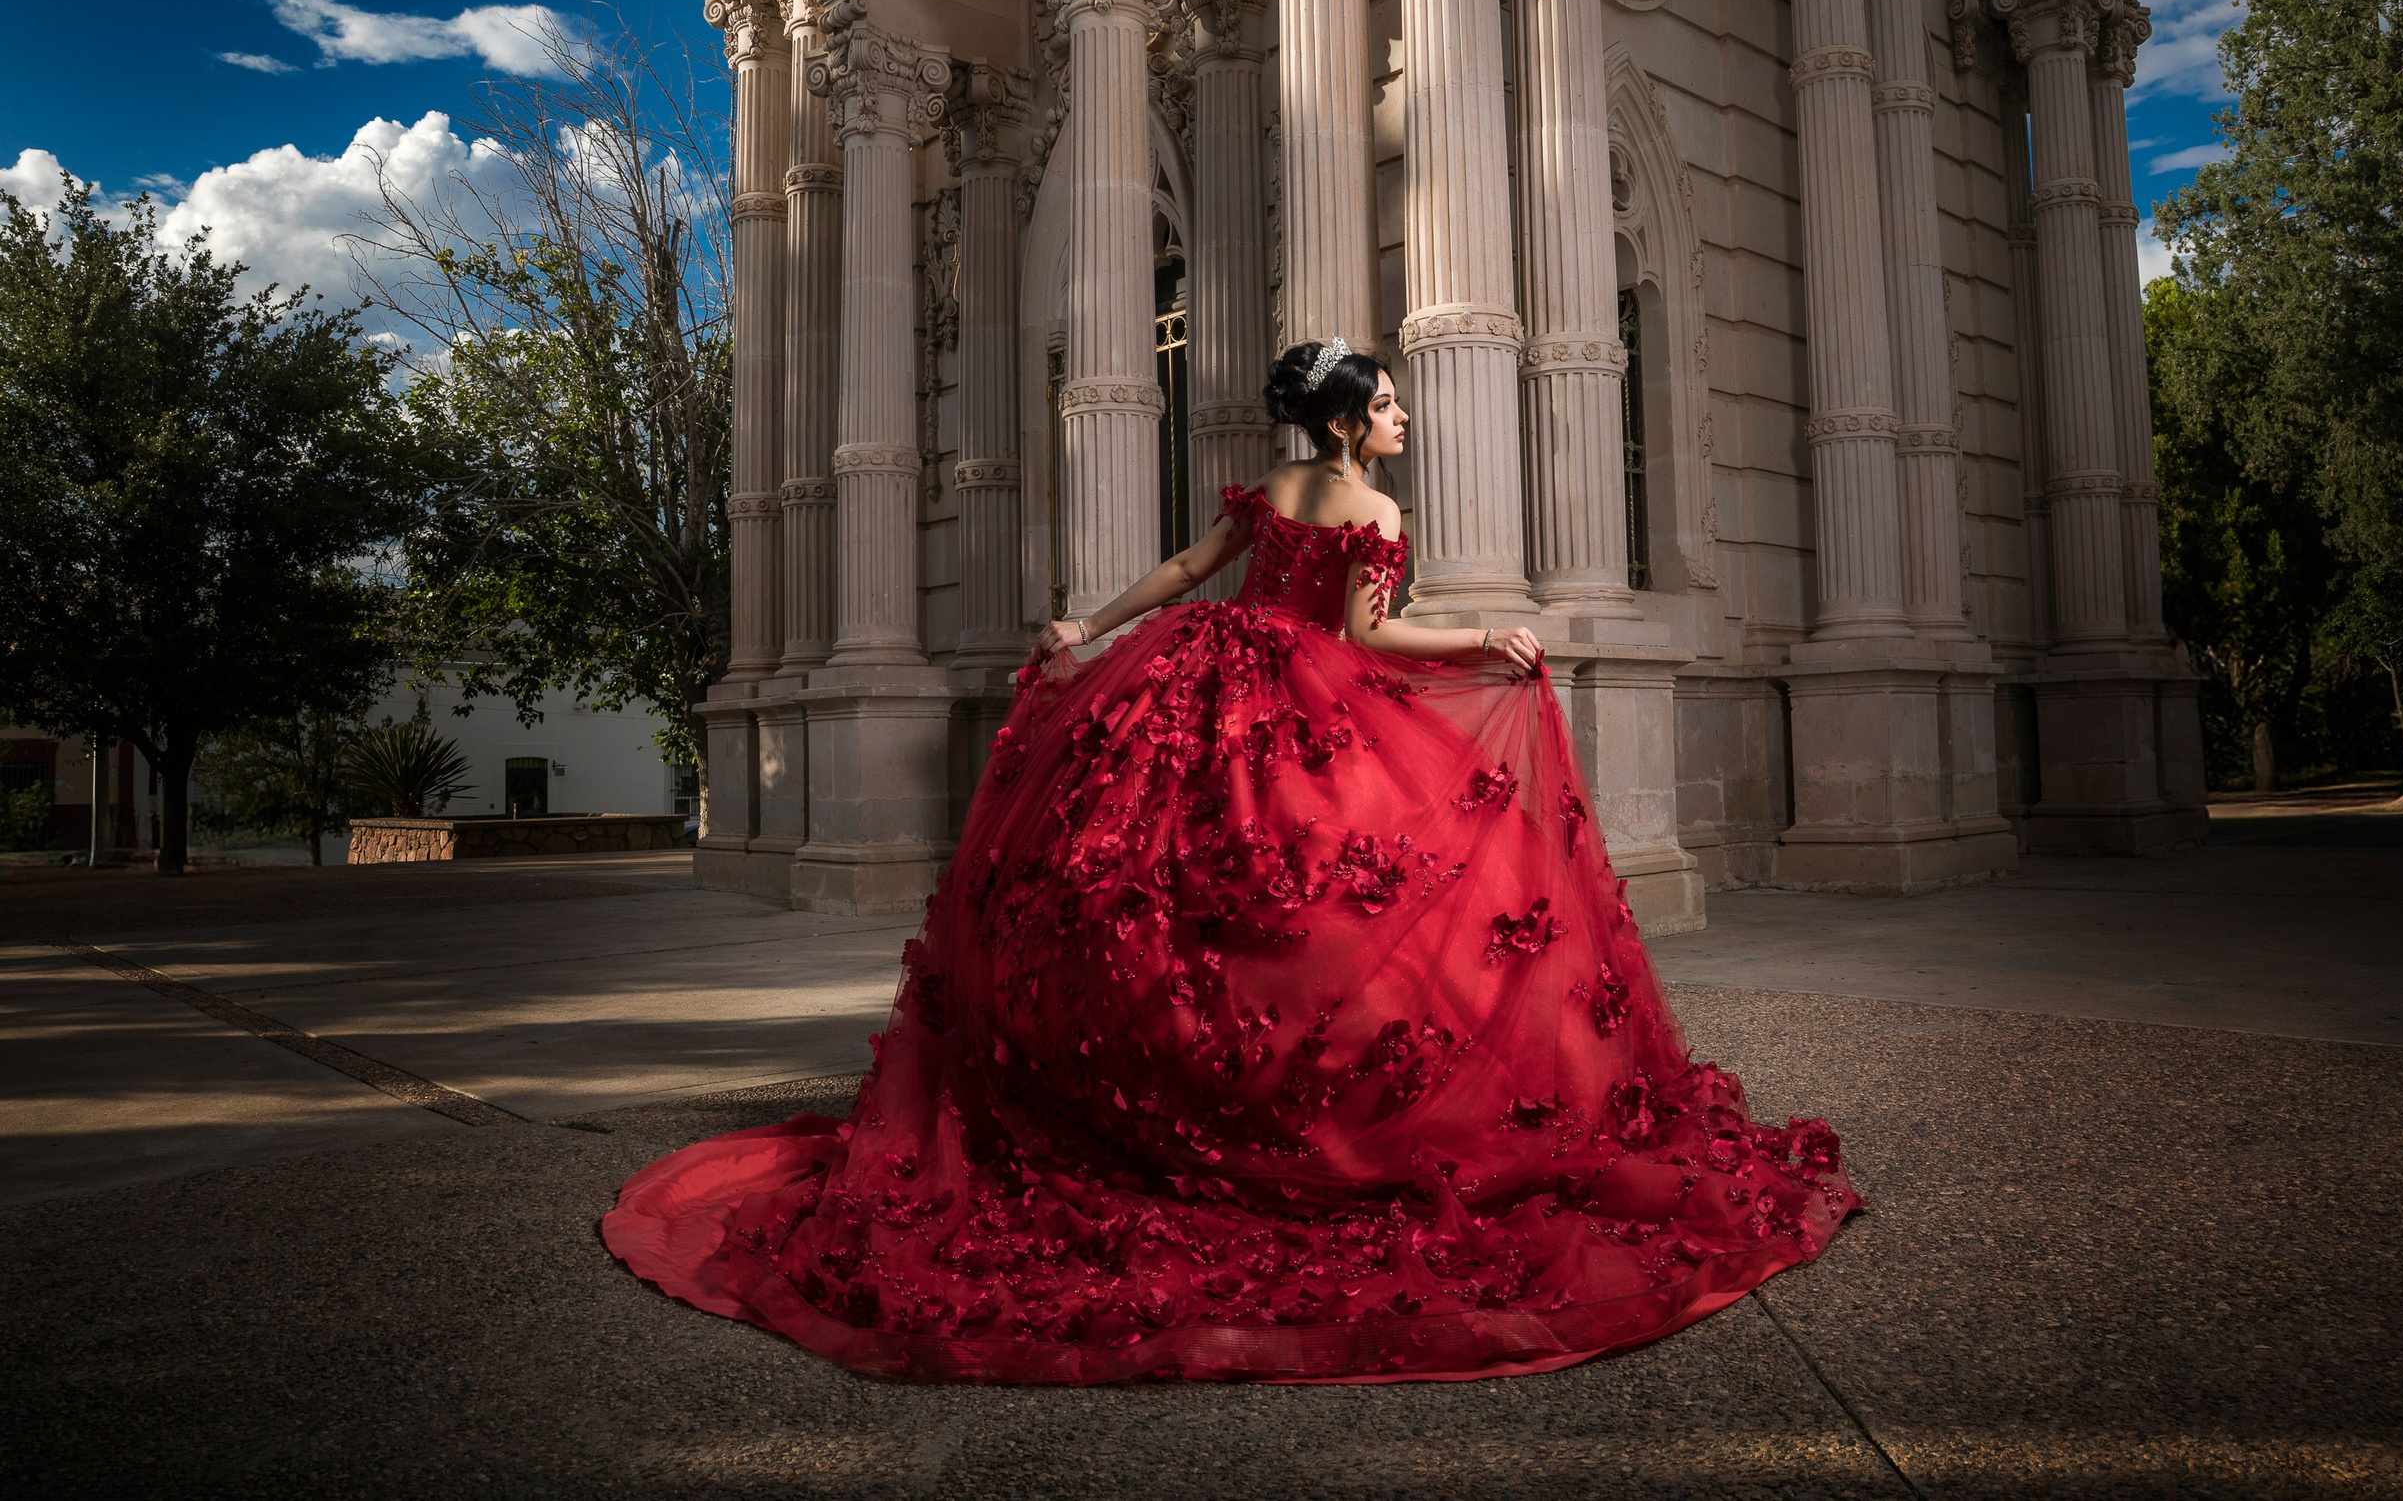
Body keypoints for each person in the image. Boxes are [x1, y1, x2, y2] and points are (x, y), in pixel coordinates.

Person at [602, 339, 1860, 1383]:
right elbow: (1374, 631)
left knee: (1161, 888)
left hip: (1198, 679)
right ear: (1349, 423)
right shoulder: (1373, 509)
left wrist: (1083, 629)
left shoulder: (1269, 491)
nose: (1402, 415)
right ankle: (1286, 1118)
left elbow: (1189, 573)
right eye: (1387, 403)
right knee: (1326, 908)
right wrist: (1492, 638)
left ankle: (1151, 1094)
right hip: (1302, 704)